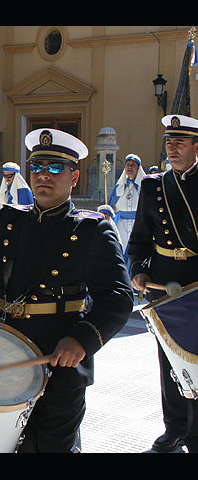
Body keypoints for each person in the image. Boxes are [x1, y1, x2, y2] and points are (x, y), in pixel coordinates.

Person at [0, 128, 132, 452]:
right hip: (5, 348)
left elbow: (118, 297)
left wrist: (82, 340)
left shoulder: (92, 230)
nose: (44, 176)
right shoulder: (9, 220)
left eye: (55, 169)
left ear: (75, 177)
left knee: (54, 447)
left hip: (59, 359)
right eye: (37, 168)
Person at [129, 114, 198, 453]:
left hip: (197, 284)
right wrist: (139, 269)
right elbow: (140, 237)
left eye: (180, 142)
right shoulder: (153, 185)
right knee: (170, 359)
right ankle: (174, 429)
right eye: (169, 142)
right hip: (165, 283)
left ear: (196, 147)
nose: (172, 148)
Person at [108, 154, 146, 267]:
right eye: (128, 165)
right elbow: (112, 204)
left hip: (137, 223)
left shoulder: (143, 187)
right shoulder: (119, 186)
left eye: (133, 165)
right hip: (121, 225)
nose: (130, 167)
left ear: (138, 168)